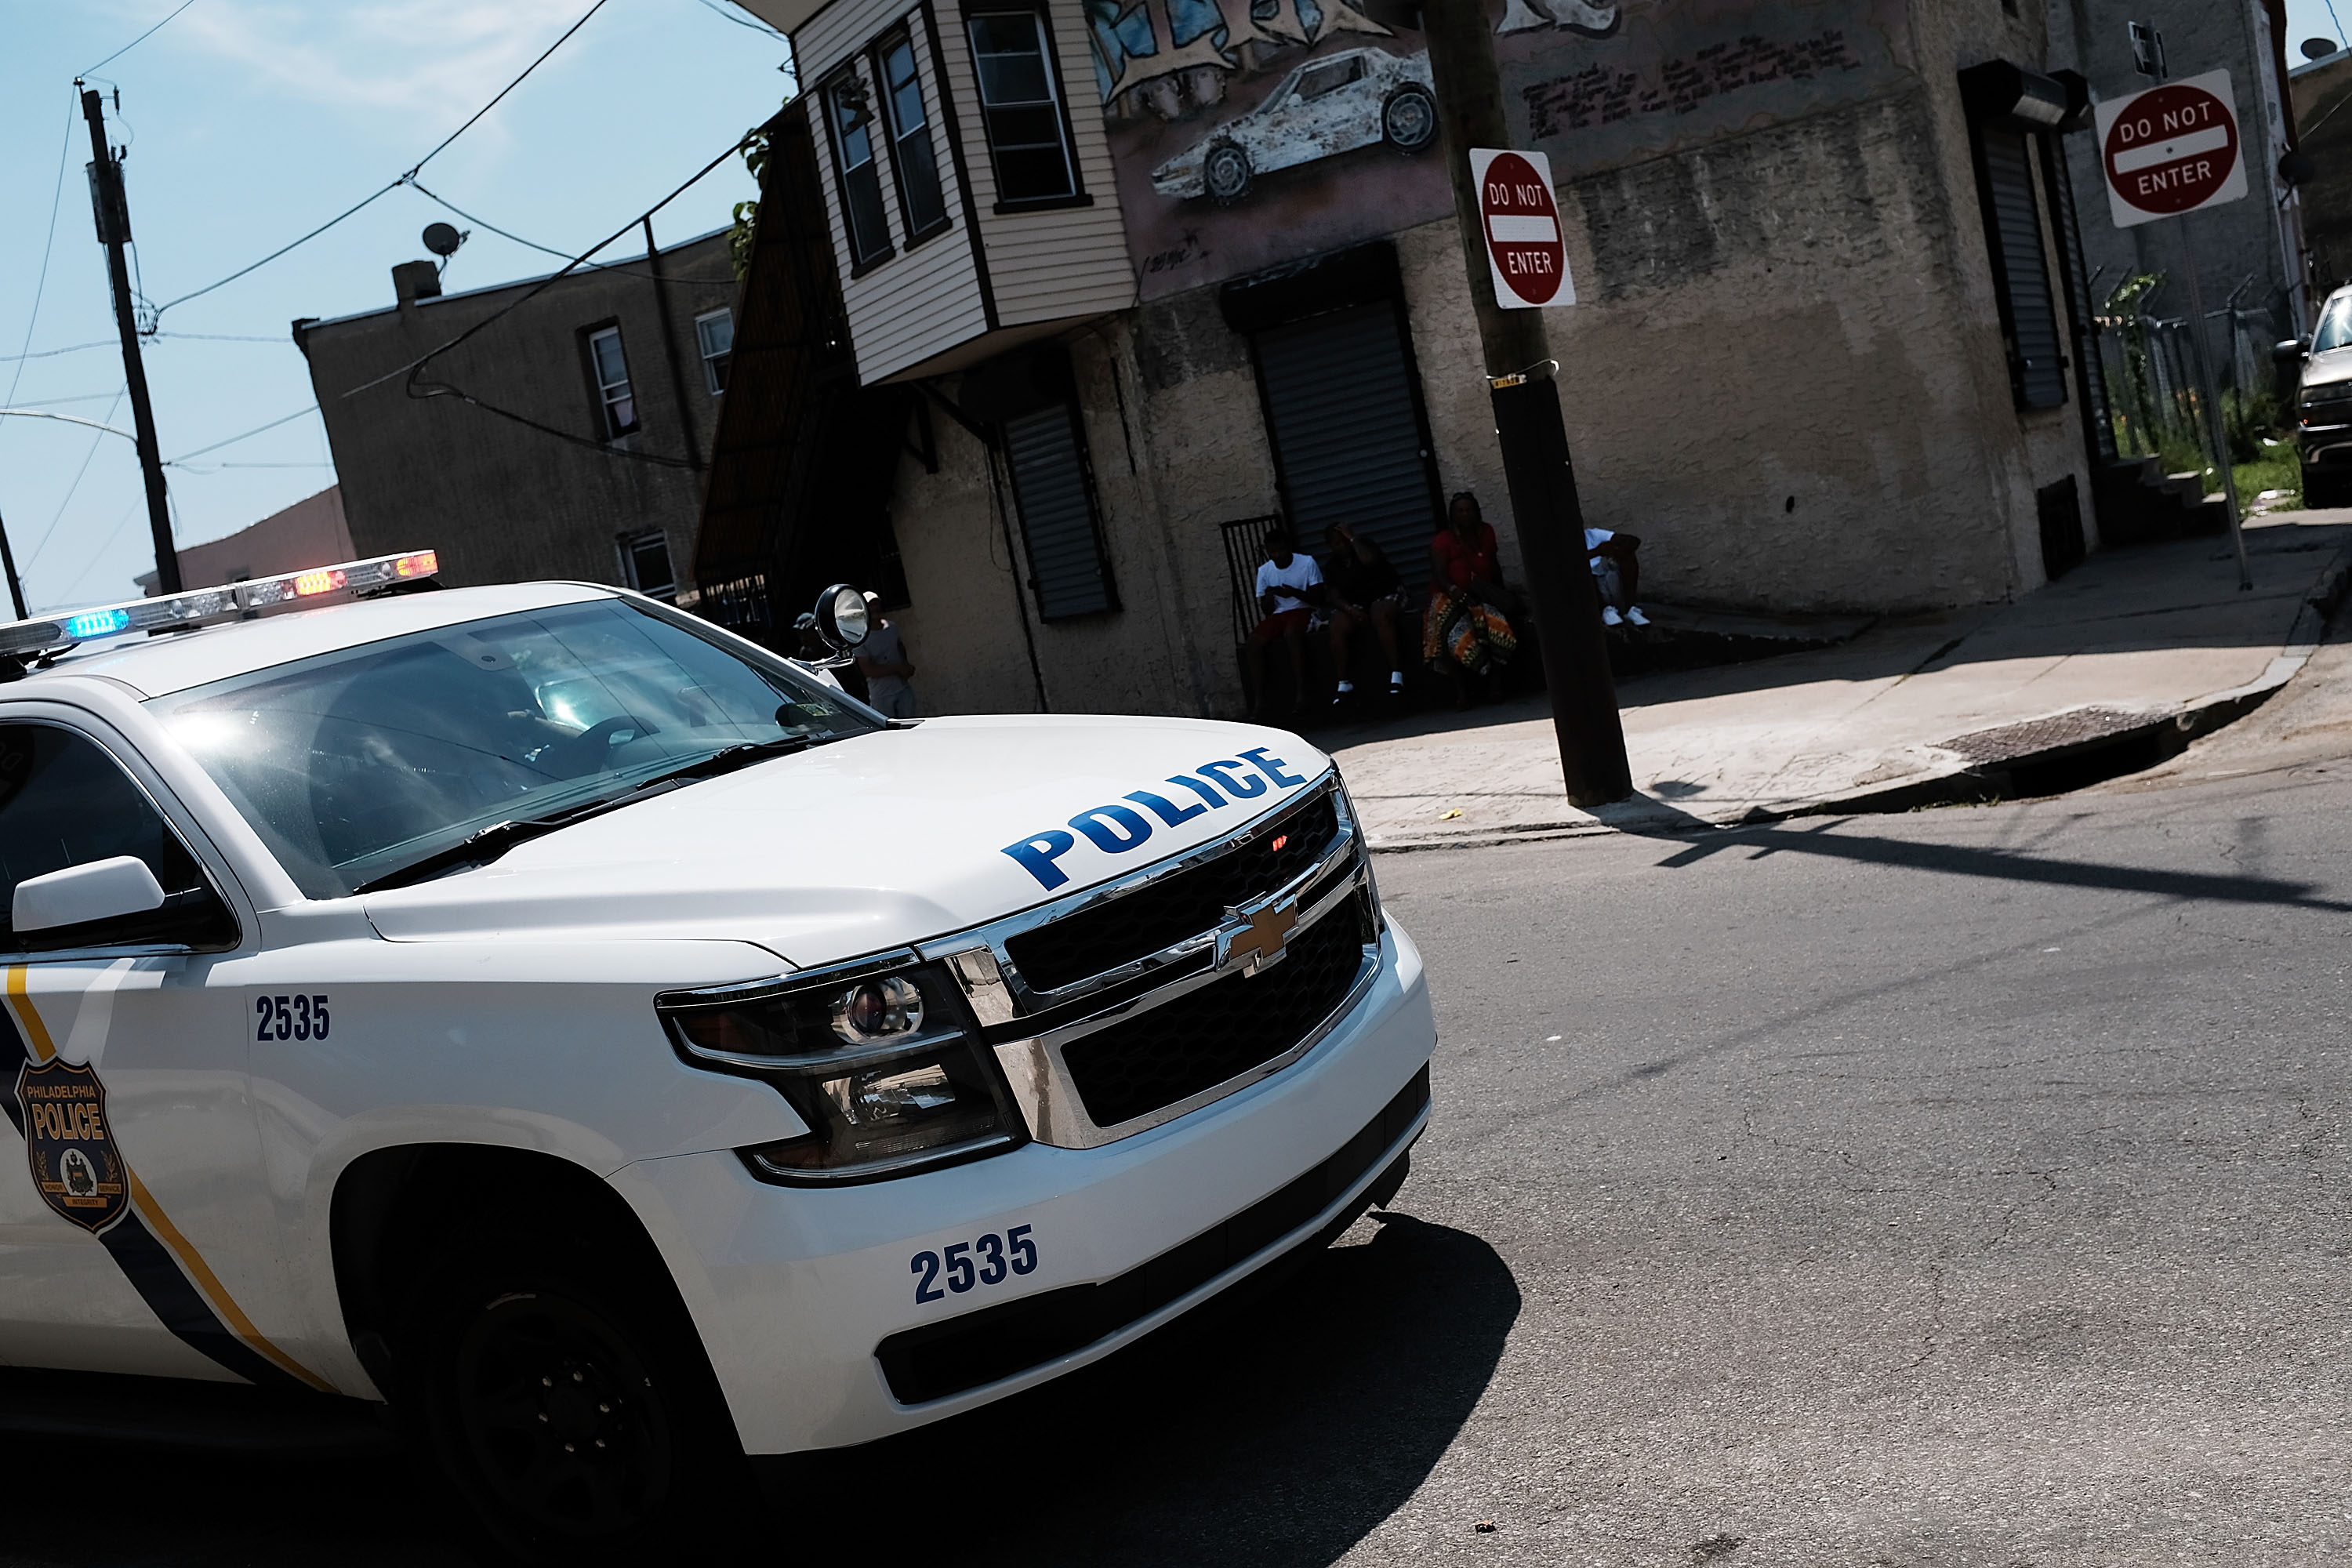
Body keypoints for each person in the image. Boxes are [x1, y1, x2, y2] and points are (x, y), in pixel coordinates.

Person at [1424, 492, 1519, 709]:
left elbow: (1493, 564)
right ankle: (1461, 693)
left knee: (1498, 628)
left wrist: (1499, 593)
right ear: (1453, 515)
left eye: (1469, 510)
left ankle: (1495, 686)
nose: (1465, 514)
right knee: (1453, 633)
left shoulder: (1486, 532)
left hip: (1481, 593)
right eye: (1460, 511)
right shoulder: (1443, 540)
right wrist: (1453, 589)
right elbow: (1439, 574)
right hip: (1451, 596)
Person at [1321, 521, 1406, 706]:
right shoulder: (1332, 567)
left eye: (1344, 541)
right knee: (1336, 624)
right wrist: (1351, 610)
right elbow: (1334, 597)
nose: (1343, 546)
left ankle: (1396, 674)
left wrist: (1353, 539)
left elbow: (1369, 560)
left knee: (1380, 615)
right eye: (1337, 543)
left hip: (1386, 593)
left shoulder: (1365, 546)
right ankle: (1344, 682)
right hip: (1357, 603)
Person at [1247, 528, 1325, 719]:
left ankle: (1301, 694)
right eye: (1273, 552)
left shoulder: (1306, 562)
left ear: (1288, 548)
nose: (1278, 556)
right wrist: (1269, 597)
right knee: (1254, 642)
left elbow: (1318, 597)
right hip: (1280, 614)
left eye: (1281, 550)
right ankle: (1260, 701)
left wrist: (1293, 593)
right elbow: (1266, 610)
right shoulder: (1265, 571)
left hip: (1303, 609)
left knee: (1292, 634)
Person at [855, 591, 919, 718]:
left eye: (877, 604)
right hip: (881, 695)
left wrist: (905, 665)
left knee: (910, 727)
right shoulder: (861, 637)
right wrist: (897, 668)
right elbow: (868, 670)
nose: (875, 609)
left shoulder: (892, 627)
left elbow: (899, 646)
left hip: (902, 689)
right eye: (871, 606)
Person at [1586, 527, 1649, 626]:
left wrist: (1615, 547)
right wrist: (1597, 551)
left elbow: (1633, 541)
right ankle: (1604, 610)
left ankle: (1630, 609)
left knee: (1627, 555)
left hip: (1607, 583)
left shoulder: (1592, 535)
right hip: (1588, 590)